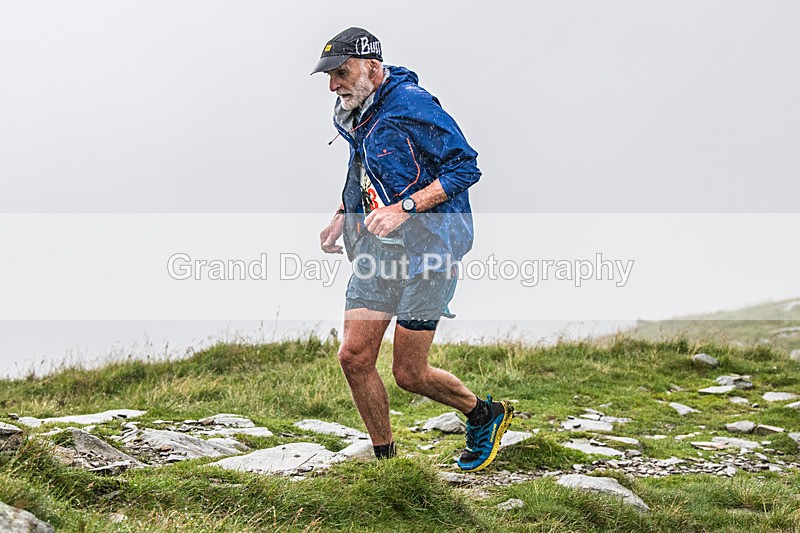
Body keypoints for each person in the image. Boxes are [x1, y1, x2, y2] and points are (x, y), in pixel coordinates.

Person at [313, 27, 513, 472]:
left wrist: (406, 208)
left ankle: (484, 414)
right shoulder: (356, 110)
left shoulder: (412, 104)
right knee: (354, 357)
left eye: (341, 73)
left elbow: (465, 167)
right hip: (376, 253)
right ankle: (387, 466)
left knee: (409, 374)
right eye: (328, 76)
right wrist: (343, 213)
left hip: (429, 254)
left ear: (372, 67)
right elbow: (366, 167)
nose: (333, 85)